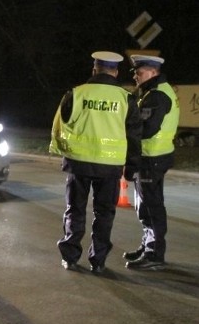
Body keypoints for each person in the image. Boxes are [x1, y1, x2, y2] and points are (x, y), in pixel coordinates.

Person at [49, 51, 142, 273]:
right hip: (109, 166)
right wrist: (132, 166)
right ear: (116, 72)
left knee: (75, 210)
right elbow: (133, 135)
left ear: (94, 70)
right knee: (105, 213)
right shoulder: (125, 99)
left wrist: (64, 151)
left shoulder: (76, 93)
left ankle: (70, 257)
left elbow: (61, 125)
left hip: (78, 164)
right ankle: (98, 261)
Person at [123, 55, 180, 270]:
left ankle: (154, 253)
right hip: (152, 157)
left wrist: (126, 128)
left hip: (152, 158)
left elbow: (146, 129)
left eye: (140, 72)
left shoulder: (156, 96)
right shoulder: (154, 92)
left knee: (151, 206)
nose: (136, 76)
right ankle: (149, 245)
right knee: (145, 205)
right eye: (135, 72)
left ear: (153, 72)